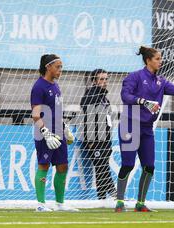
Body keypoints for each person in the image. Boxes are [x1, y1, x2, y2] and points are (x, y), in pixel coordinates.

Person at [115, 46, 174, 212]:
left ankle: (140, 203)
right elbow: (125, 96)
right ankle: (119, 202)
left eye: (161, 59)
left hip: (147, 128)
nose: (161, 61)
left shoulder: (161, 81)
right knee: (128, 164)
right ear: (148, 60)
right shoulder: (134, 77)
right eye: (158, 59)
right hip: (130, 124)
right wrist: (143, 101)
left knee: (149, 166)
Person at [30, 54, 79, 212]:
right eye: (57, 67)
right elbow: (36, 115)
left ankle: (60, 203)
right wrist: (45, 132)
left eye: (61, 67)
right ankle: (41, 204)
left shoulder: (56, 86)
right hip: (45, 134)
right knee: (44, 165)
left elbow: (56, 112)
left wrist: (65, 128)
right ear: (48, 67)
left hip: (59, 132)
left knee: (63, 166)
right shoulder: (39, 87)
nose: (60, 70)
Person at [79, 69, 117, 200]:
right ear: (94, 81)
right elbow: (87, 116)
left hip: (105, 139)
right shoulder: (90, 95)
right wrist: (90, 140)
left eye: (106, 79)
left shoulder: (104, 97)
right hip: (95, 139)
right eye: (101, 79)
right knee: (102, 167)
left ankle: (102, 199)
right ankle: (115, 194)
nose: (105, 82)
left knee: (102, 167)